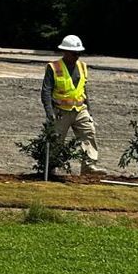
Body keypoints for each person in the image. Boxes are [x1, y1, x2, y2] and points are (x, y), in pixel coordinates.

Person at [41, 34, 102, 175]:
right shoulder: (54, 67)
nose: (77, 56)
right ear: (65, 52)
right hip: (61, 111)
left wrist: (89, 111)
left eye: (79, 53)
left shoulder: (82, 67)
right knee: (56, 140)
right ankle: (51, 168)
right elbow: (46, 91)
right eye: (75, 53)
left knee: (89, 134)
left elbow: (83, 89)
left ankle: (88, 167)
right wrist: (49, 112)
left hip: (80, 109)